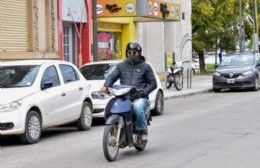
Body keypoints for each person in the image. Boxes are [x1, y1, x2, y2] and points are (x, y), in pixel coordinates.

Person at [101, 42, 157, 140]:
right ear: (127, 53)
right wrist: (106, 86)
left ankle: (142, 130)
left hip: (139, 97)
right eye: (130, 52)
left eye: (134, 53)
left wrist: (144, 92)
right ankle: (115, 128)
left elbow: (153, 84)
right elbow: (111, 77)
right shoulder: (121, 66)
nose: (132, 55)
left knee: (137, 107)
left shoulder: (145, 67)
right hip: (124, 96)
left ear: (139, 53)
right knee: (112, 105)